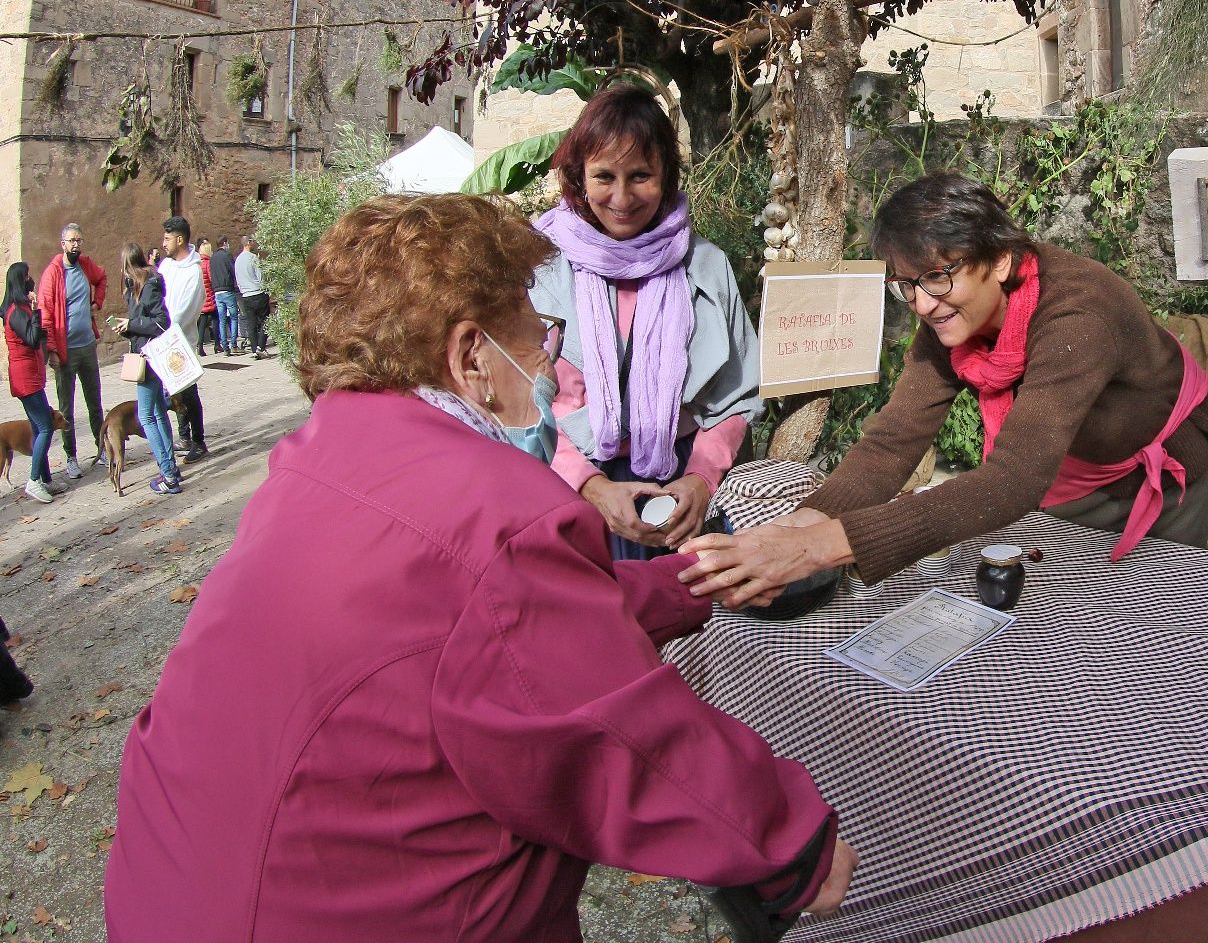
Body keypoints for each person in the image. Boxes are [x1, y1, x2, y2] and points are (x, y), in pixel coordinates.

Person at [105, 193, 854, 942]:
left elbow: (488, 623)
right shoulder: (489, 508)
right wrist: (791, 846)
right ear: (470, 356)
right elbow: (613, 735)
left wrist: (689, 583)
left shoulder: (320, 458)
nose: (552, 363)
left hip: (180, 890)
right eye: (541, 338)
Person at [679, 172, 1208, 606]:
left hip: (1159, 466)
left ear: (1001, 259)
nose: (921, 303)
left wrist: (819, 548)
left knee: (1153, 608)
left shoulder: (1079, 316)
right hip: (1062, 467)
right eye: (907, 285)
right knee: (1057, 598)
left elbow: (1011, 481)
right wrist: (804, 522)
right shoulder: (949, 318)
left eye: (938, 277)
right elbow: (895, 439)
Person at [530, 83, 761, 559]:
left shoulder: (705, 266)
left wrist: (699, 480)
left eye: (640, 176)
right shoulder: (540, 269)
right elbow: (515, 401)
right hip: (565, 488)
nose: (622, 197)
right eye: (603, 177)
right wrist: (590, 486)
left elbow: (738, 393)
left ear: (667, 176)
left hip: (680, 493)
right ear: (579, 177)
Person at [38, 222, 106, 480]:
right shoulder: (53, 273)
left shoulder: (85, 265)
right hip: (66, 350)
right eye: (71, 241)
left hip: (87, 345)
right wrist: (52, 350)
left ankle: (102, 451)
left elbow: (102, 278)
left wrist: (97, 302)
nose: (76, 244)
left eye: (79, 240)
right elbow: (45, 313)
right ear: (62, 244)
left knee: (95, 402)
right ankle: (71, 457)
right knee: (66, 408)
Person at [117, 243, 183, 495]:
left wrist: (132, 323)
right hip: (148, 352)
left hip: (149, 356)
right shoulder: (142, 284)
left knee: (146, 416)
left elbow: (160, 322)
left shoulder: (147, 285)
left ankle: (168, 473)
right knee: (158, 411)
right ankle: (171, 469)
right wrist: (128, 327)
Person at [3, 263, 58, 504]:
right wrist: (37, 311)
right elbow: (33, 339)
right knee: (45, 427)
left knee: (38, 427)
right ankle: (34, 480)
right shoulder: (16, 311)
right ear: (19, 281)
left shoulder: (19, 308)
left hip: (31, 375)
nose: (31, 280)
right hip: (25, 377)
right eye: (27, 277)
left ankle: (45, 479)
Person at [157, 218, 208, 462]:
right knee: (174, 392)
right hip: (162, 339)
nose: (163, 243)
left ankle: (198, 440)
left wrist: (162, 323)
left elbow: (184, 311)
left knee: (187, 392)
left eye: (167, 238)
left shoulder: (193, 273)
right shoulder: (165, 267)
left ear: (179, 240)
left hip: (181, 340)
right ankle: (184, 436)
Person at [234, 236, 270, 359]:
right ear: (248, 243)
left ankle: (255, 349)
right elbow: (260, 277)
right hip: (258, 293)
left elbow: (237, 278)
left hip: (246, 295)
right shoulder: (253, 258)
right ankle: (261, 347)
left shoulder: (237, 260)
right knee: (265, 321)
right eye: (252, 241)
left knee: (251, 323)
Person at [209, 236, 240, 356]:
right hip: (227, 289)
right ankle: (233, 344)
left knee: (222, 319)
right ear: (225, 243)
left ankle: (225, 346)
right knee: (233, 317)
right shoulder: (227, 255)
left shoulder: (213, 258)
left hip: (217, 291)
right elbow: (233, 271)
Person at [195, 239, 218, 356]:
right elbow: (211, 279)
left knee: (202, 322)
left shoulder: (197, 263)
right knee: (216, 319)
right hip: (209, 295)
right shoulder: (208, 263)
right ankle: (217, 344)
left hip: (201, 296)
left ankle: (199, 345)